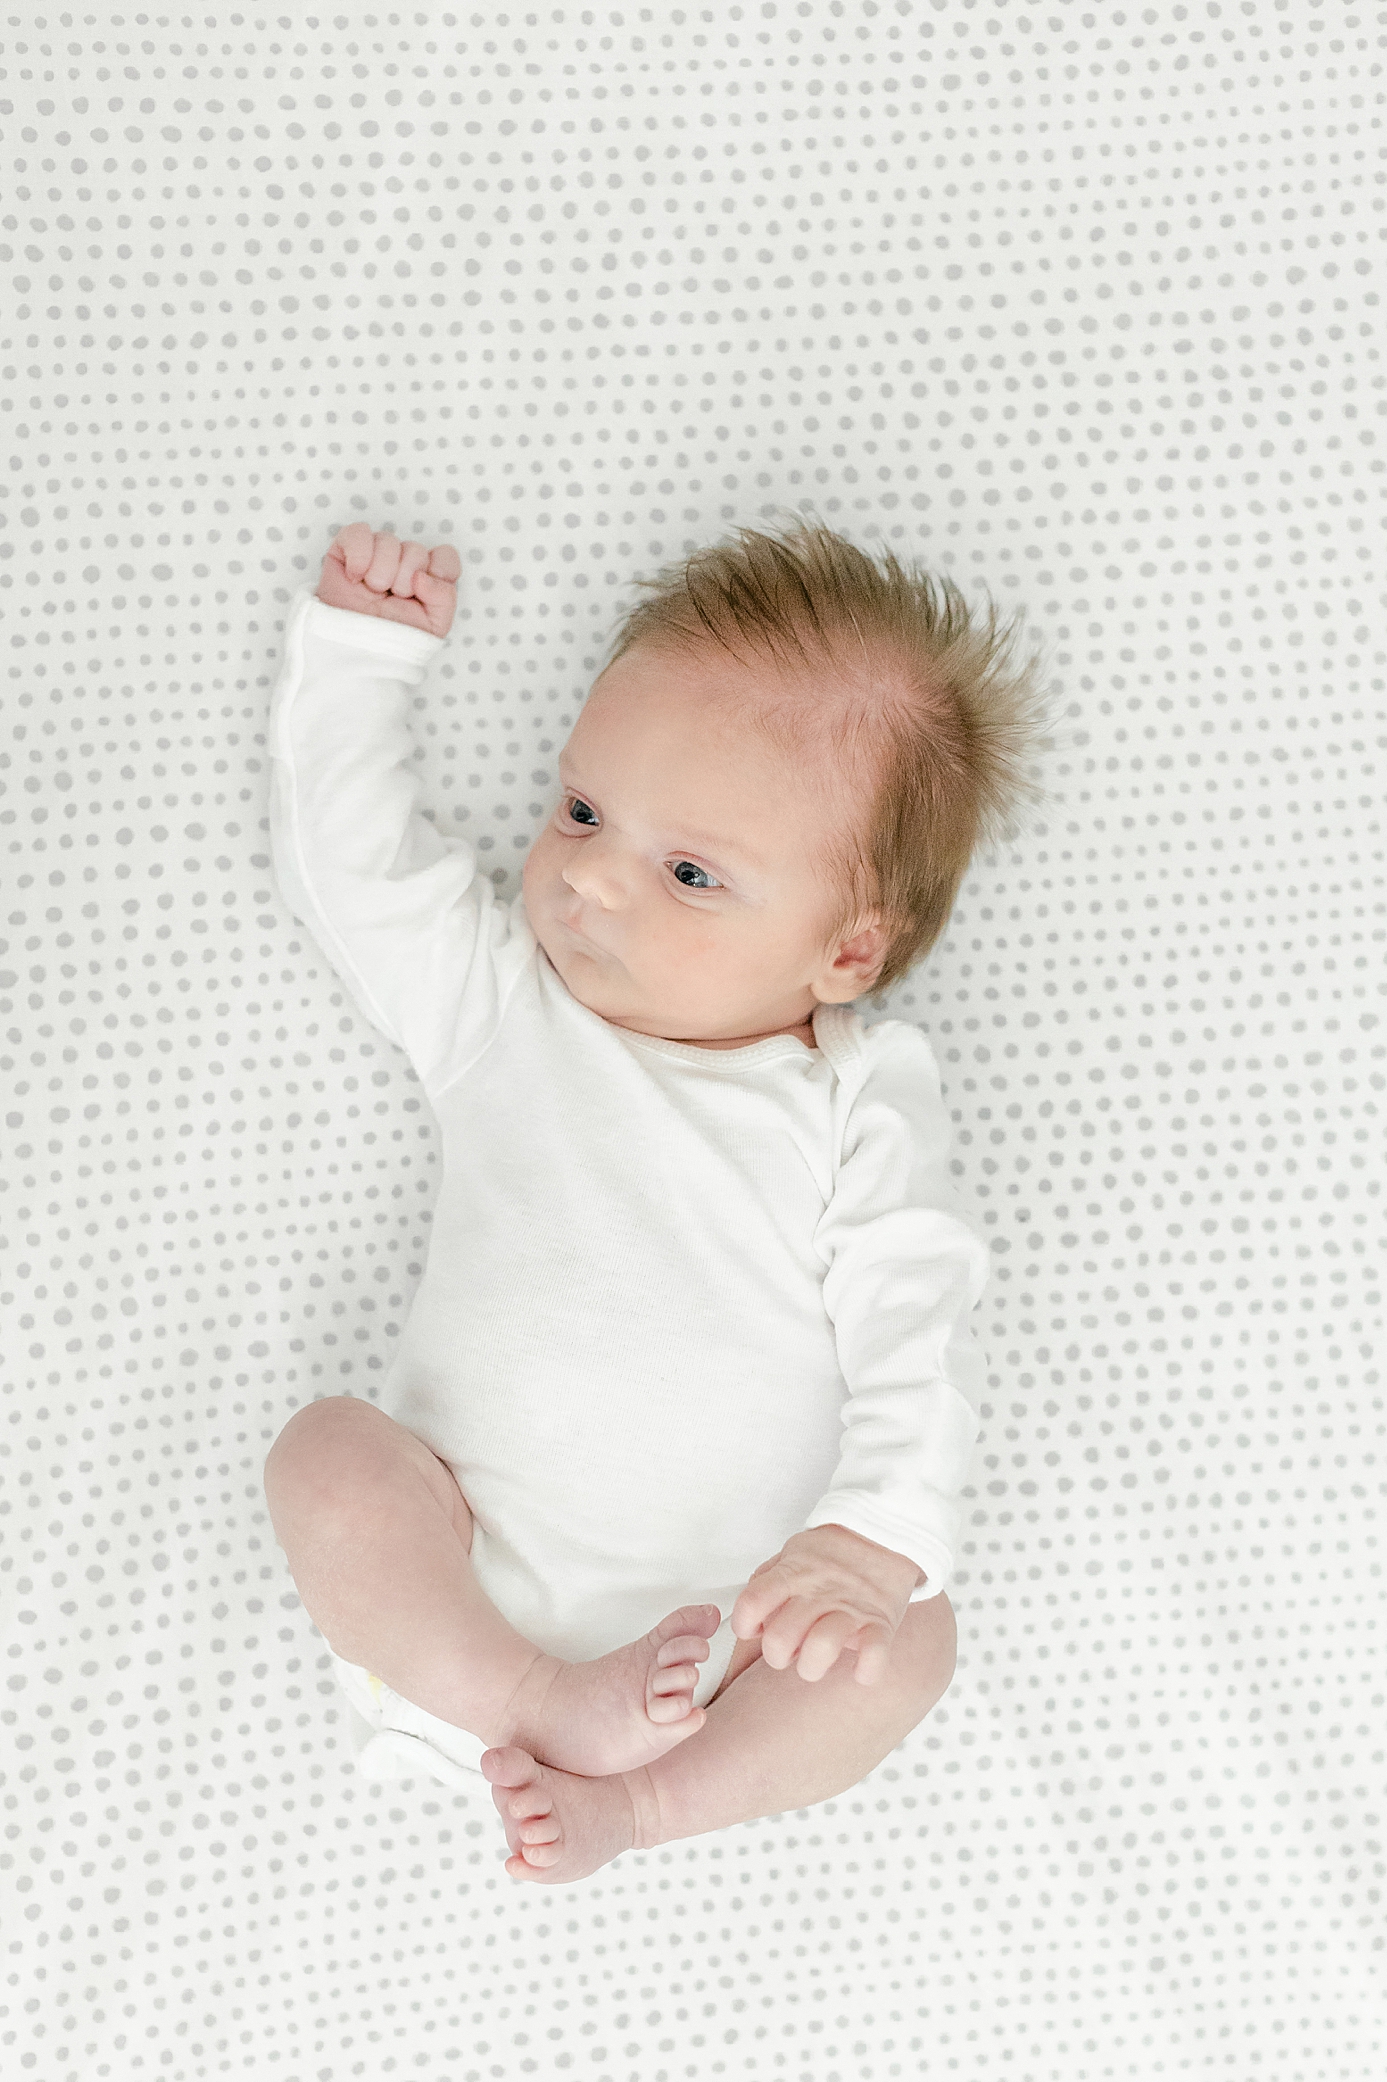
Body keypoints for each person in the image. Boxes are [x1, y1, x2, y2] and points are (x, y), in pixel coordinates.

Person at [262, 513, 1051, 1883]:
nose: (587, 878)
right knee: (326, 1458)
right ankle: (533, 1700)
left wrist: (875, 1535)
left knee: (915, 1632)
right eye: (580, 809)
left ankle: (650, 1807)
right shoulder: (510, 1005)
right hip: (461, 1606)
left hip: (744, 1642)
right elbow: (361, 876)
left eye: (691, 873)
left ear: (848, 947)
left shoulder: (856, 1098)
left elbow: (915, 1307)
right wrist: (361, 661)